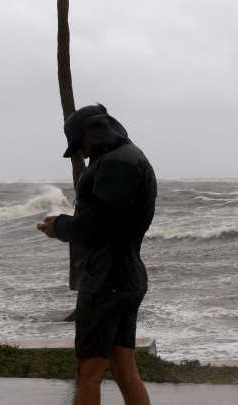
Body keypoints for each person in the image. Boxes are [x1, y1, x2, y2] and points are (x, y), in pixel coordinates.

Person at [37, 104, 155, 405]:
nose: (82, 152)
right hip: (126, 278)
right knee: (125, 371)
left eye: (81, 143)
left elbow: (104, 221)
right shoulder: (127, 157)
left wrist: (62, 226)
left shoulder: (117, 162)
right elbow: (110, 218)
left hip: (105, 280)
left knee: (88, 373)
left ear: (95, 132)